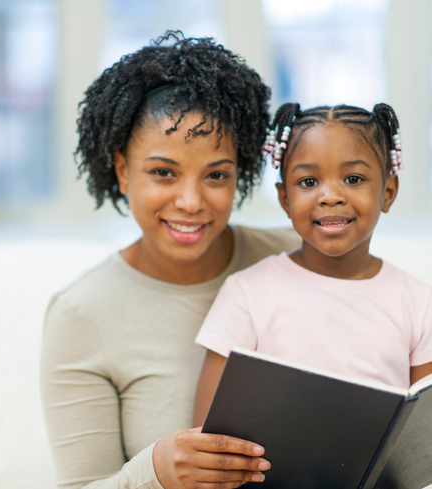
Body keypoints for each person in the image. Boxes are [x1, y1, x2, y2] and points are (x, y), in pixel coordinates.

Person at [41, 32, 301, 489]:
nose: (190, 201)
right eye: (164, 172)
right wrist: (156, 470)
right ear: (123, 171)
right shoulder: (81, 315)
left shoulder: (296, 259)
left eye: (216, 175)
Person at [194, 102, 432, 427]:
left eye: (353, 178)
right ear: (285, 200)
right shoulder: (247, 294)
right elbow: (207, 436)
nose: (330, 196)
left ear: (388, 192)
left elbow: (422, 439)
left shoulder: (420, 303)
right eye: (308, 182)